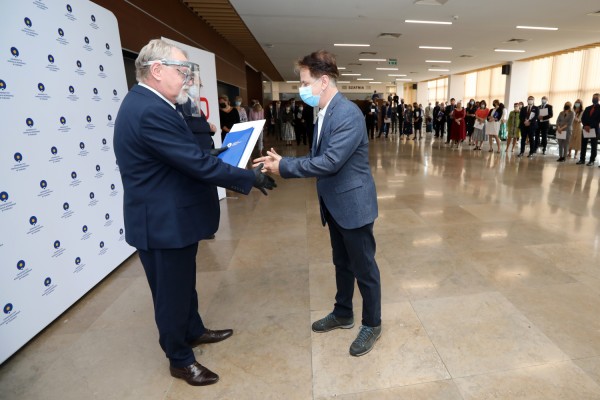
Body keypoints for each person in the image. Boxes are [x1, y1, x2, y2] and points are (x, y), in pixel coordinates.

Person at [113, 39, 276, 387]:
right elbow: (192, 163)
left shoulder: (155, 104)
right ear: (156, 70)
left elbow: (182, 155)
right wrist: (248, 176)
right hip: (161, 222)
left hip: (171, 218)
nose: (187, 77)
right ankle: (180, 359)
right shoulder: (149, 109)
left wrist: (220, 154)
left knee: (183, 284)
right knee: (170, 293)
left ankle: (193, 330)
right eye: (182, 70)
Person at [254, 50, 382, 357]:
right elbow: (317, 158)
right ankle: (343, 312)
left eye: (304, 81)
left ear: (323, 81)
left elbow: (330, 162)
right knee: (342, 262)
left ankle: (372, 323)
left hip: (353, 204)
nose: (302, 88)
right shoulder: (324, 111)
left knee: (364, 268)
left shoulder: (347, 114)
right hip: (335, 203)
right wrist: (285, 161)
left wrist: (284, 166)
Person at [578, 93, 600, 166]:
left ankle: (592, 160)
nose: (594, 99)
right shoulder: (587, 108)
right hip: (585, 128)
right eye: (593, 97)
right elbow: (583, 118)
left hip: (594, 129)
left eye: (596, 98)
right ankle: (582, 159)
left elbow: (598, 120)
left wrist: (590, 126)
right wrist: (585, 125)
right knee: (583, 144)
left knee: (593, 145)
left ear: (599, 99)